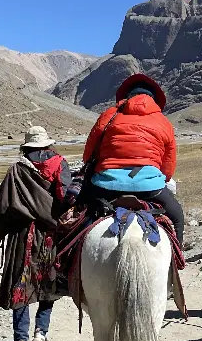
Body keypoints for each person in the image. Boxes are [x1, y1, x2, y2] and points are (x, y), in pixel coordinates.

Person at [0, 126, 73, 341]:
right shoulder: (59, 163)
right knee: (49, 282)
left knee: (20, 284)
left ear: (26, 147)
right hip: (49, 235)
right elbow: (65, 197)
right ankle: (41, 332)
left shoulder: (17, 169)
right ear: (46, 144)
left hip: (21, 235)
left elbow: (2, 206)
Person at [78, 74, 183, 245]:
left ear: (127, 95)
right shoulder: (164, 122)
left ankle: (67, 262)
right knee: (177, 217)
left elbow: (88, 154)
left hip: (105, 185)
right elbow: (168, 168)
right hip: (150, 187)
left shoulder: (109, 115)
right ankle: (178, 261)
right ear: (154, 99)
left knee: (77, 216)